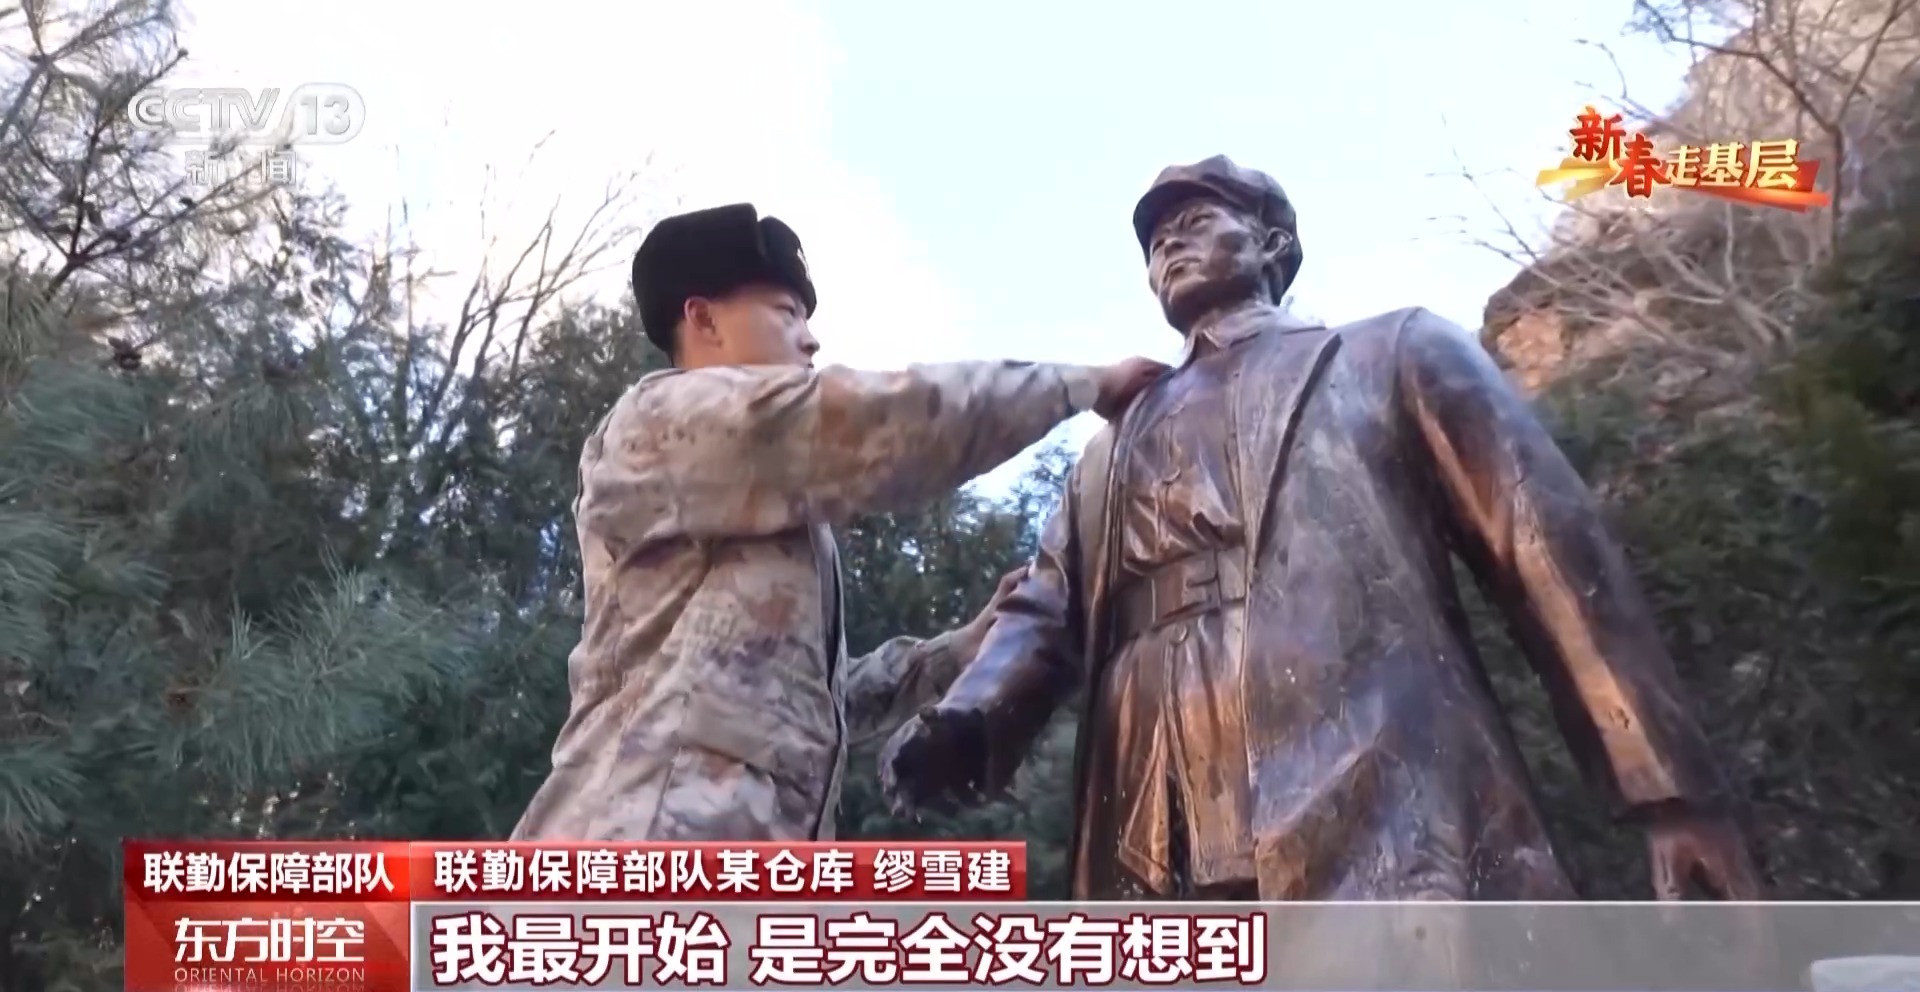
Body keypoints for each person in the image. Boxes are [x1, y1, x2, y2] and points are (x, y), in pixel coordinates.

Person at [880, 156, 1762, 903]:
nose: (1170, 245)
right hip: (1149, 801)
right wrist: (967, 718)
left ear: (1273, 244)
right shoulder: (1105, 452)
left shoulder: (1391, 352)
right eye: (1156, 243)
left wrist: (1668, 790)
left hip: (1371, 769)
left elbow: (1547, 548)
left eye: (1196, 221)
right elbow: (1044, 612)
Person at [510, 202, 1168, 841]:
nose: (810, 337)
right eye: (785, 311)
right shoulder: (660, 424)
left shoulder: (754, 494)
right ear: (704, 319)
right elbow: (883, 418)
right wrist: (1084, 385)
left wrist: (956, 651)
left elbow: (810, 700)